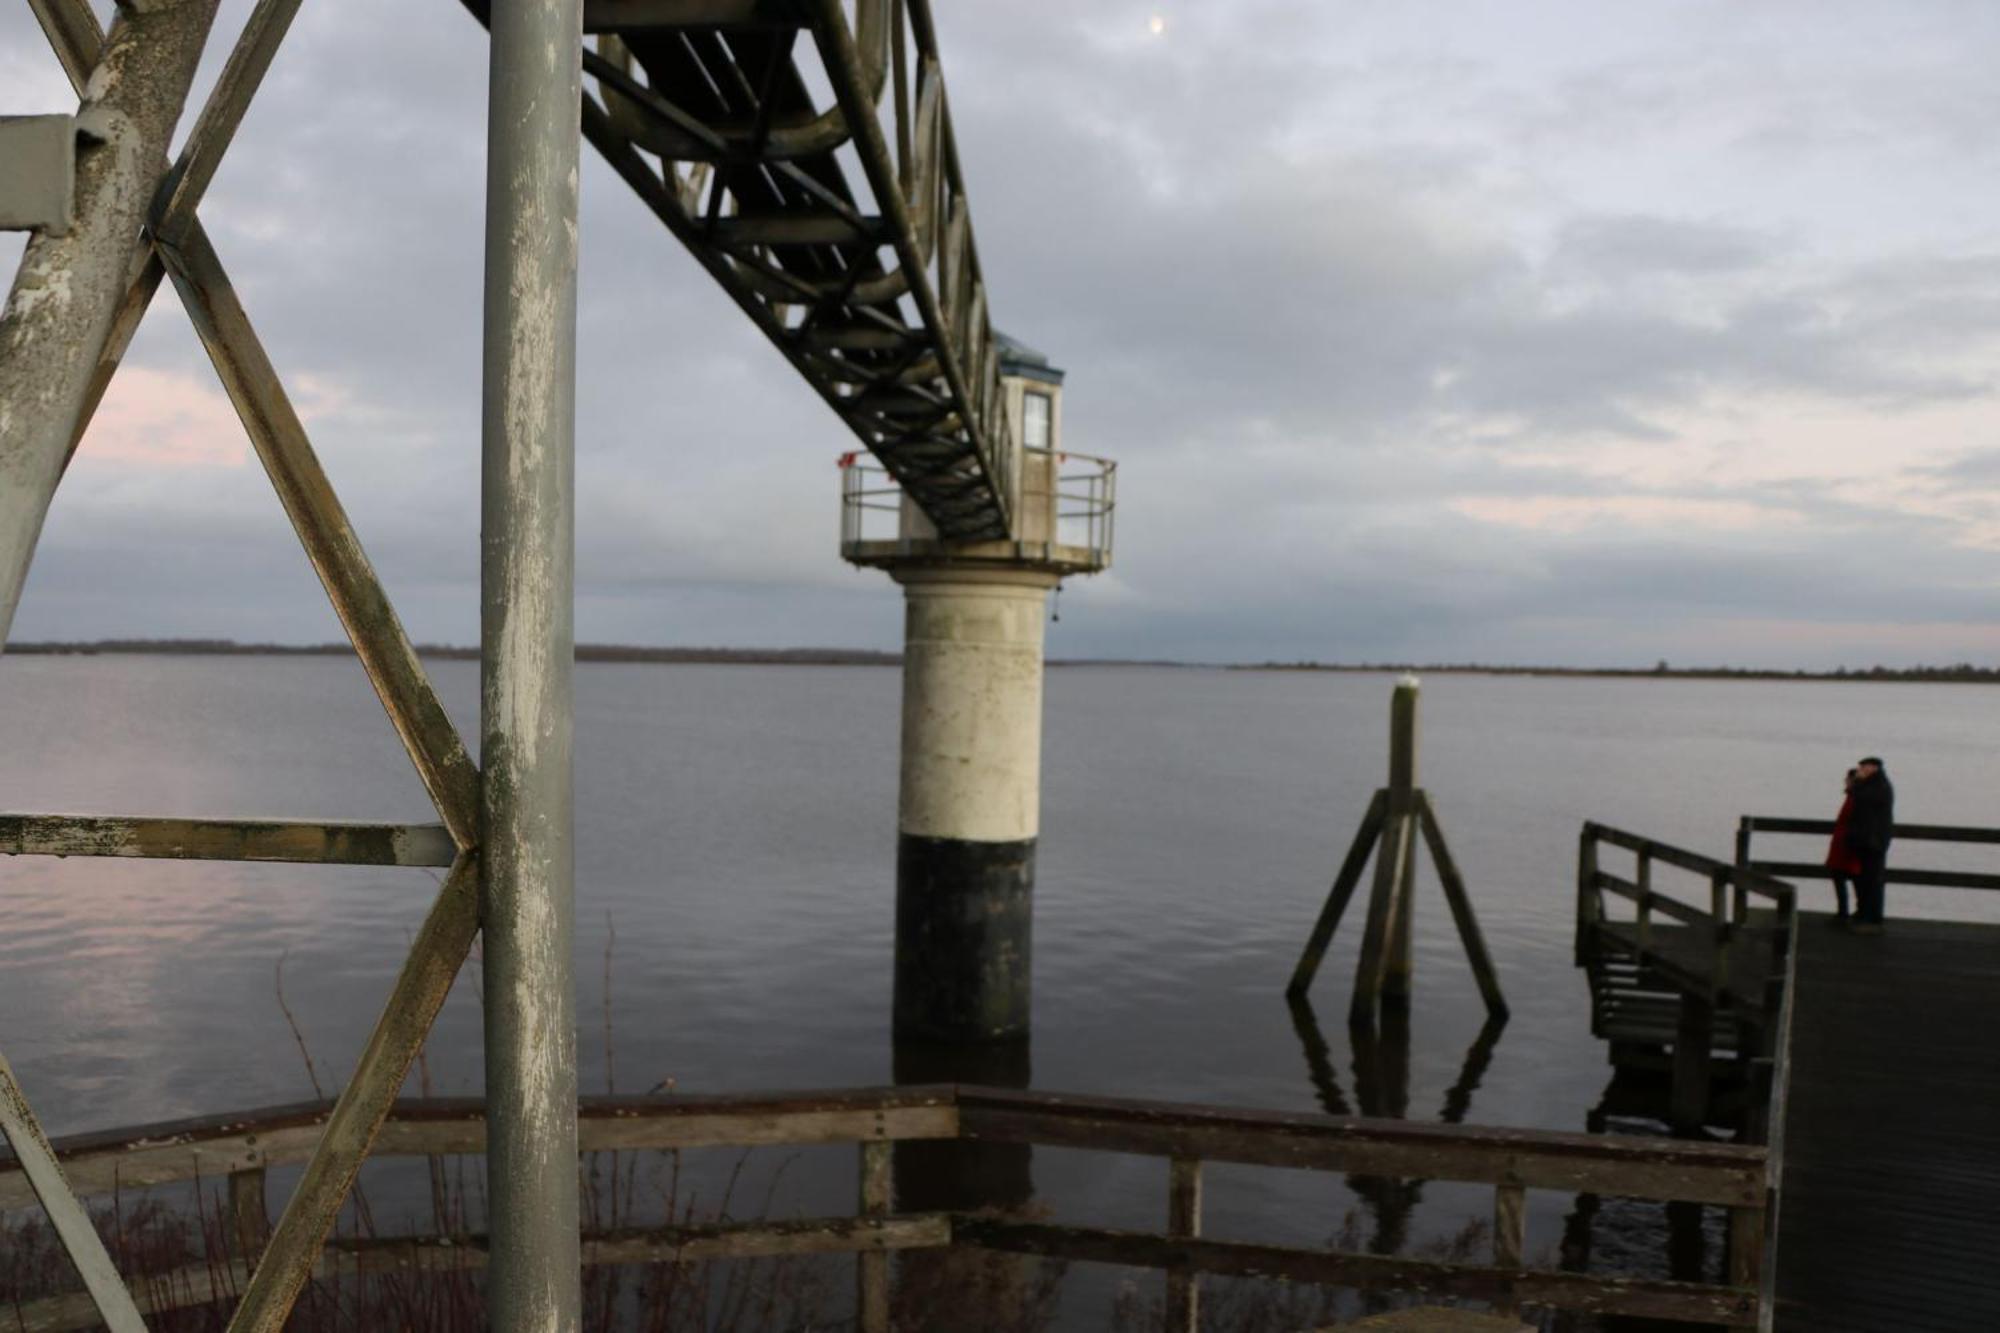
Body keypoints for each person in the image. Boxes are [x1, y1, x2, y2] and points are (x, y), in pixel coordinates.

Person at [1845, 756, 1895, 934]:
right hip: (1866, 840)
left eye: (1864, 767)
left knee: (1872, 879)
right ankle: (1864, 913)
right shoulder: (1873, 784)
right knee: (1863, 879)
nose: (1861, 771)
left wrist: (1856, 782)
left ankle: (1872, 916)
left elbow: (1861, 797)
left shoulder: (1879, 786)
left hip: (1874, 841)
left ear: (1874, 768)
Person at [1824, 768, 1863, 921]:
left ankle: (1845, 912)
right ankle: (1846, 911)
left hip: (1847, 843)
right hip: (1843, 843)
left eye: (1848, 778)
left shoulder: (1855, 798)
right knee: (1845, 876)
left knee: (1845, 876)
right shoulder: (1853, 797)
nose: (1845, 780)